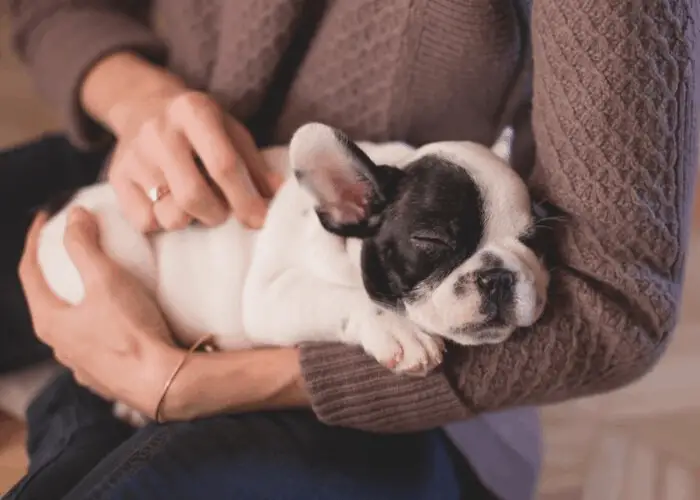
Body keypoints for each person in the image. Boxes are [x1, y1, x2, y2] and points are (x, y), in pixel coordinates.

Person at [1, 0, 697, 499]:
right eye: (440, 249)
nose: (494, 274)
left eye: (524, 242)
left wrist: (189, 386)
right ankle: (69, 413)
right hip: (153, 185)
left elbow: (618, 304)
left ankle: (63, 416)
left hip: (397, 394)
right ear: (348, 204)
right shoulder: (359, 196)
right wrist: (137, 97)